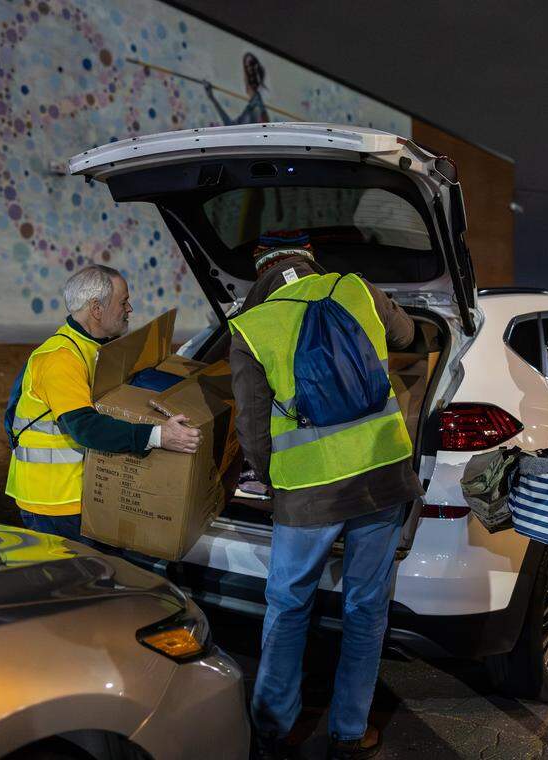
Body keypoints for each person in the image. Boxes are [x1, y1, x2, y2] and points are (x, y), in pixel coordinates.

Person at [229, 231, 422, 760]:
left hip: (307, 493)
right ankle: (349, 732)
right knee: (365, 608)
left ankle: (272, 729)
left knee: (288, 606)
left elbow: (251, 427)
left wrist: (272, 480)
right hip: (382, 478)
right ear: (310, 260)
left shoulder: (251, 326)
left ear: (259, 271)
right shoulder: (356, 288)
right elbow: (406, 336)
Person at [5, 265, 201, 546]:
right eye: (123, 301)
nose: (129, 309)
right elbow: (85, 427)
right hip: (54, 504)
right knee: (73, 586)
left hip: (77, 495)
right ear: (96, 308)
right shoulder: (61, 358)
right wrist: (158, 436)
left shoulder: (94, 348)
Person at [204, 52, 271, 125]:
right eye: (247, 68)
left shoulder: (256, 105)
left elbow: (230, 126)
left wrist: (212, 98)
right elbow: (230, 125)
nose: (250, 71)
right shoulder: (253, 106)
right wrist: (212, 97)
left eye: (252, 65)